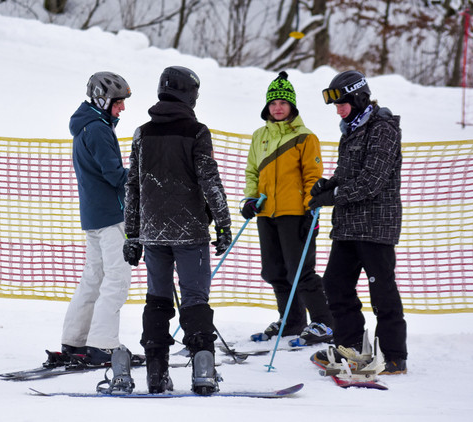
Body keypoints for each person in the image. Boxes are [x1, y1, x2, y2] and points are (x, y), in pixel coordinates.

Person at [122, 66, 232, 396]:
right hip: (190, 232)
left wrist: (132, 234)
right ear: (190, 95)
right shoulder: (197, 132)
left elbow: (133, 186)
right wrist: (223, 223)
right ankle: (203, 372)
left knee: (157, 300)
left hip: (153, 233)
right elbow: (209, 181)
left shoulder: (142, 133)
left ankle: (156, 373)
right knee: (195, 299)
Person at [310, 70, 408, 375]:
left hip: (376, 226)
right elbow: (351, 171)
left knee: (382, 292)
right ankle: (349, 348)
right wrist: (329, 184)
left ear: (358, 97)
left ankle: (394, 355)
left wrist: (335, 195)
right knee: (335, 284)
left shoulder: (383, 128)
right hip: (349, 225)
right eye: (335, 104)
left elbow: (371, 181)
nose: (337, 109)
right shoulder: (352, 128)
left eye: (342, 102)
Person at [242, 72, 333, 347]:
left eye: (283, 102)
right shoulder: (260, 136)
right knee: (273, 271)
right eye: (273, 103)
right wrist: (250, 199)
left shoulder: (305, 137)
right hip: (267, 213)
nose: (278, 107)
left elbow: (312, 177)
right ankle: (292, 321)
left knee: (300, 271)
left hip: (295, 215)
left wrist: (311, 211)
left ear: (292, 106)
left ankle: (324, 322)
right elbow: (252, 172)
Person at [59, 72, 133, 366]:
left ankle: (74, 340)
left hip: (93, 215)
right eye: (118, 103)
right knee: (117, 279)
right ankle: (103, 345)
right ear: (102, 100)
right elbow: (114, 175)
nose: (122, 109)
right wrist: (141, 180)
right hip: (111, 216)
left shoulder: (85, 126)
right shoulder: (99, 130)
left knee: (94, 278)